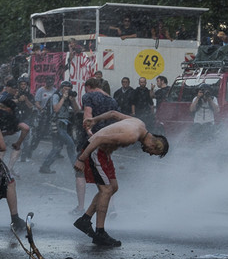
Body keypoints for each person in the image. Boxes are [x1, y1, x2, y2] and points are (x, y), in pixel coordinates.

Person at [73, 110, 169, 247]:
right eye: (153, 153)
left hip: (103, 151)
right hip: (95, 150)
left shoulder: (140, 124)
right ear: (154, 145)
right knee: (106, 190)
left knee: (113, 187)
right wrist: (81, 159)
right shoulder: (131, 136)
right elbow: (99, 139)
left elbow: (113, 114)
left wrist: (95, 120)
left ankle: (85, 220)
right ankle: (100, 232)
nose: (150, 154)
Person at [77, 77, 119, 214]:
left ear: (88, 86)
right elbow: (114, 120)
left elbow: (88, 116)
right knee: (105, 172)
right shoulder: (112, 100)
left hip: (93, 139)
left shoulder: (88, 96)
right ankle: (111, 207)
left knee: (80, 171)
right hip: (108, 139)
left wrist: (90, 134)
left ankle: (81, 207)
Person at [39, 81, 80, 174]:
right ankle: (76, 167)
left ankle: (45, 166)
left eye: (69, 89)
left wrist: (73, 100)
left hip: (64, 124)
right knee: (71, 144)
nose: (67, 91)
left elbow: (77, 110)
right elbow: (56, 109)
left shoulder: (68, 97)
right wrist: (63, 98)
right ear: (61, 88)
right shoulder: (56, 96)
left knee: (57, 147)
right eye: (65, 89)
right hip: (56, 123)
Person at [0, 79, 31, 176]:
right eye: (13, 88)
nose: (15, 90)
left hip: (12, 124)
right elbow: (4, 100)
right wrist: (16, 101)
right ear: (7, 87)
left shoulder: (18, 95)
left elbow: (31, 106)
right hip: (2, 124)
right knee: (2, 149)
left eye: (16, 88)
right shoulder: (4, 95)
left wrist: (24, 100)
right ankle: (2, 171)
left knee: (25, 129)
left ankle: (8, 169)